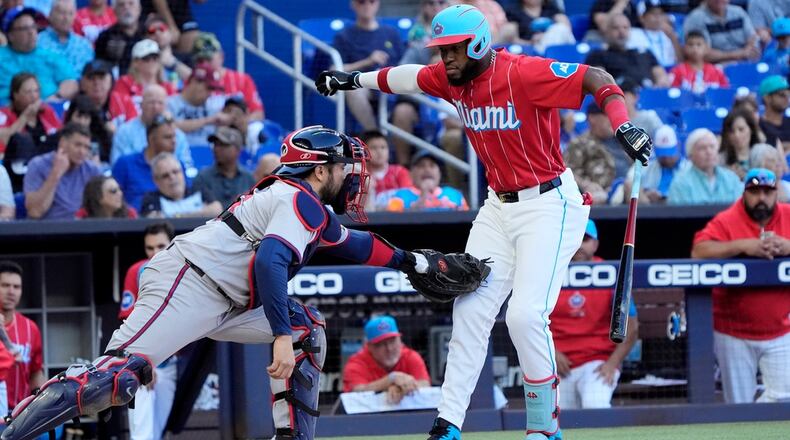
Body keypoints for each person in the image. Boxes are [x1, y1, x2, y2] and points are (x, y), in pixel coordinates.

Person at [315, 4, 653, 438]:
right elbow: (404, 76)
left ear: (476, 43)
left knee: (526, 317)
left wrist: (623, 124)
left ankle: (544, 427)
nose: (445, 58)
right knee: (470, 310)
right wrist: (351, 80)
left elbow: (597, 78)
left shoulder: (523, 72)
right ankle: (448, 423)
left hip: (549, 203)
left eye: (452, 49)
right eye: (441, 49)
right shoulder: (450, 76)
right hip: (497, 207)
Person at [1, 125, 459, 440]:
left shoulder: (301, 204)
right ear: (319, 169)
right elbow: (270, 262)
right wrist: (279, 335)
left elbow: (357, 245)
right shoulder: (299, 202)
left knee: (308, 330)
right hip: (188, 284)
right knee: (114, 380)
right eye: (343, 167)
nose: (351, 175)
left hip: (223, 298)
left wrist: (412, 262)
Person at [691, 168, 790, 403]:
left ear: (777, 193)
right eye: (755, 192)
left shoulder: (787, 215)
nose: (762, 198)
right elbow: (699, 252)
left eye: (767, 192)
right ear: (744, 193)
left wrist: (788, 246)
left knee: (783, 399)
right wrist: (743, 246)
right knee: (738, 405)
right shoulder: (727, 219)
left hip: (781, 328)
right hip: (732, 331)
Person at [552, 219, 639, 409]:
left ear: (595, 244)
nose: (578, 245)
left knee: (595, 405)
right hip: (557, 364)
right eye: (573, 238)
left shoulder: (611, 274)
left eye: (584, 239)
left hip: (597, 363)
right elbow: (529, 321)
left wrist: (612, 364)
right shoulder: (548, 273)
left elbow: (632, 327)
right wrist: (550, 352)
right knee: (558, 416)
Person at [119, 221, 177, 440]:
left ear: (172, 243)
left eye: (160, 246)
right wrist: (145, 363)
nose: (154, 253)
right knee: (142, 433)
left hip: (171, 363)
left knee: (158, 430)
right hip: (141, 363)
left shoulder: (186, 270)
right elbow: (129, 322)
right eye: (149, 248)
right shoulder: (137, 271)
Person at [331, 0, 404, 131]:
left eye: (372, 1)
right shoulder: (344, 36)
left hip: (393, 86)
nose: (367, 6)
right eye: (361, 2)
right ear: (353, 4)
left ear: (378, 4)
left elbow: (405, 64)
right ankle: (375, 135)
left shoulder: (391, 34)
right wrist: (368, 61)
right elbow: (334, 70)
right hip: (365, 84)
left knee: (406, 109)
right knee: (353, 90)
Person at [0, 5, 79, 106]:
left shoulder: (50, 56)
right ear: (10, 35)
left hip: (48, 109)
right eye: (24, 28)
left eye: (33, 27)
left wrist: (56, 97)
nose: (31, 32)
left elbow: (71, 82)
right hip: (8, 112)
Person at [342, 315, 431, 404]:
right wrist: (391, 379)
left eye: (392, 341)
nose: (389, 349)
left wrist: (399, 388)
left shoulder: (411, 356)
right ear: (369, 347)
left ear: (400, 340)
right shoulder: (357, 363)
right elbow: (357, 391)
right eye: (380, 344)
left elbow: (425, 384)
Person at [0, 73, 63, 192]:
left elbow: (60, 137)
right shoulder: (3, 114)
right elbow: (4, 141)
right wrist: (24, 117)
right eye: (28, 92)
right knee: (22, 139)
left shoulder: (47, 111)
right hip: (17, 168)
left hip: (47, 165)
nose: (34, 96)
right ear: (15, 95)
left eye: (36, 91)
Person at [23, 123, 101, 219]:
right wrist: (56, 172)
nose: (82, 152)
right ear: (63, 143)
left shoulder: (92, 170)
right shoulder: (38, 165)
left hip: (80, 229)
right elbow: (35, 212)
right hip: (45, 230)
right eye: (78, 145)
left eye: (86, 147)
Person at [112, 112, 184, 211]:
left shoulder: (176, 166)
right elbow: (112, 198)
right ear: (152, 140)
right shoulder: (125, 164)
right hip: (134, 224)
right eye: (167, 137)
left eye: (174, 136)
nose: (174, 141)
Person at [0, 261, 45, 412]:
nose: (11, 291)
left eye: (16, 287)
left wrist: (43, 400)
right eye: (5, 285)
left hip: (20, 413)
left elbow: (36, 372)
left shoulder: (30, 328)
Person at [111, 84, 192, 167]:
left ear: (166, 107)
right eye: (151, 102)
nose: (155, 107)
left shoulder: (177, 135)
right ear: (141, 105)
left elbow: (186, 166)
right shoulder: (124, 132)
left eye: (160, 103)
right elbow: (117, 165)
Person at [192, 32, 265, 122]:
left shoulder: (242, 80)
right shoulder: (192, 84)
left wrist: (239, 123)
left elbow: (258, 113)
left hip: (238, 130)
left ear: (221, 57)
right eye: (200, 61)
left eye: (208, 59)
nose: (205, 64)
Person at [584, 13, 669, 88]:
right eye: (615, 28)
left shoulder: (645, 53)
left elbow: (662, 77)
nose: (621, 31)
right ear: (607, 31)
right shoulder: (597, 55)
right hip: (620, 99)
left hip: (648, 99)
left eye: (625, 27)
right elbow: (601, 83)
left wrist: (659, 85)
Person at [667, 128, 742, 205]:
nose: (709, 152)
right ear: (690, 156)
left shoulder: (731, 179)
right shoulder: (680, 184)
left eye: (712, 147)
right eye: (702, 148)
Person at [140, 152, 222, 218]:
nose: (172, 177)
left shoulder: (198, 190)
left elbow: (217, 209)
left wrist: (179, 216)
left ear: (182, 173)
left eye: (175, 172)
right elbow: (153, 220)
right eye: (165, 175)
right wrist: (200, 213)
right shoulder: (151, 199)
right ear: (156, 181)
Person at [381, 151, 468, 212]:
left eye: (432, 166)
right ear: (411, 174)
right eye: (421, 166)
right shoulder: (399, 196)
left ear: (439, 173)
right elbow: (393, 220)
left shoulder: (455, 194)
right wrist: (423, 197)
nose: (427, 170)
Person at [110, 39, 177, 119]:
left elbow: (175, 114)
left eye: (155, 58)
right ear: (135, 62)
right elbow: (120, 112)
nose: (152, 62)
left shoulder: (168, 87)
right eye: (147, 58)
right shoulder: (124, 83)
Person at [167, 62, 229, 147]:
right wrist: (207, 120)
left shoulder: (212, 106)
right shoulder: (170, 104)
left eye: (213, 89)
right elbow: (170, 127)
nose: (210, 93)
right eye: (209, 88)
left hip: (208, 154)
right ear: (194, 82)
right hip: (180, 154)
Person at [192, 126, 255, 209]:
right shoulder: (202, 178)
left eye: (223, 145)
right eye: (215, 144)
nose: (216, 149)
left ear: (237, 150)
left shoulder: (248, 178)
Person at [682, 0, 760, 64]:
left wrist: (750, 50)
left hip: (746, 62)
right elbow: (701, 53)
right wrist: (739, 54)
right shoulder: (695, 18)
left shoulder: (739, 12)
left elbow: (753, 38)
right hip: (715, 67)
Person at [37, 0, 94, 74]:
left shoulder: (85, 45)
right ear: (50, 15)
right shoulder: (38, 42)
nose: (66, 18)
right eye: (62, 13)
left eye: (70, 13)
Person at [639, 124, 690, 204]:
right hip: (652, 210)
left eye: (669, 153)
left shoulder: (689, 169)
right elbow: (630, 183)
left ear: (678, 146)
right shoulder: (647, 168)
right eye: (662, 154)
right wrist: (645, 195)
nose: (666, 158)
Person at [94, 0, 144, 74]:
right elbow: (99, 69)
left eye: (131, 3)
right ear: (114, 11)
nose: (126, 8)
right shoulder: (105, 37)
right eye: (121, 5)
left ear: (139, 9)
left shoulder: (149, 33)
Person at [505, 0, 575, 53]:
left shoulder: (551, 8)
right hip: (531, 48)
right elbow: (513, 40)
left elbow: (566, 28)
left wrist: (546, 36)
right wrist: (531, 42)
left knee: (560, 28)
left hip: (555, 43)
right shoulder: (514, 12)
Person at [628, 4, 680, 68]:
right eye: (654, 14)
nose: (658, 17)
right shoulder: (632, 33)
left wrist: (674, 39)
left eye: (660, 14)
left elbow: (680, 61)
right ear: (642, 18)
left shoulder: (669, 34)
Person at [362, 130, 413, 195]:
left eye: (383, 147)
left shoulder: (399, 172)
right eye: (374, 148)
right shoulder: (361, 174)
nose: (379, 152)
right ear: (364, 151)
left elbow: (408, 196)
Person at [719, 108, 763, 180]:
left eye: (741, 129)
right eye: (731, 131)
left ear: (751, 130)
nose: (737, 135)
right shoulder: (719, 160)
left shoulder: (763, 155)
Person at [758, 75, 790, 147]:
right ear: (767, 98)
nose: (787, 98)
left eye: (788, 94)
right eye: (782, 95)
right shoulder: (758, 125)